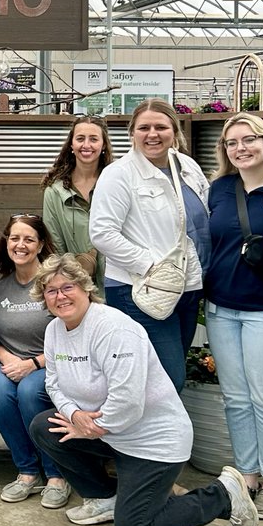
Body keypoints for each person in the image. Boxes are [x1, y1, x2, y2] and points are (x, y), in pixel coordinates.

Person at [27, 254, 259, 526]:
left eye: (67, 287)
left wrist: (94, 427)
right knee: (44, 426)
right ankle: (104, 497)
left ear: (86, 287)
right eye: (51, 290)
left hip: (153, 440)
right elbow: (54, 383)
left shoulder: (114, 329)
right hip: (111, 433)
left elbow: (128, 400)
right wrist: (75, 416)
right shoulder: (54, 330)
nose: (60, 296)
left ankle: (224, 496)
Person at [204, 114, 263, 520]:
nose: (240, 148)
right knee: (236, 398)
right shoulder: (220, 189)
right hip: (222, 308)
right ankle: (247, 473)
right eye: (231, 143)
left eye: (249, 140)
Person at [89, 100, 210, 391]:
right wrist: (152, 267)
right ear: (132, 133)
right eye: (144, 127)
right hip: (139, 289)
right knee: (167, 381)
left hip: (187, 288)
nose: (152, 134)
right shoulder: (119, 174)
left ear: (174, 131)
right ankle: (152, 437)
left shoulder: (187, 167)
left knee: (170, 374)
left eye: (161, 127)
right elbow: (102, 233)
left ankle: (164, 436)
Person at [0, 214, 70, 510]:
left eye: (29, 239)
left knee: (29, 390)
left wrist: (33, 364)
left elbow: (72, 336)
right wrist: (6, 357)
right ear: (6, 242)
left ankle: (57, 474)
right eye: (14, 238)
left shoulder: (52, 285)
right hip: (9, 361)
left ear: (41, 244)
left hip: (49, 362)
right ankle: (27, 471)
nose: (20, 245)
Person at [41, 115, 114, 292]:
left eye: (94, 139)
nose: (86, 145)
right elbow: (55, 246)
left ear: (103, 145)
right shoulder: (55, 192)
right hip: (75, 287)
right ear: (71, 145)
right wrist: (73, 276)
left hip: (117, 285)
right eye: (80, 139)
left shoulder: (117, 184)